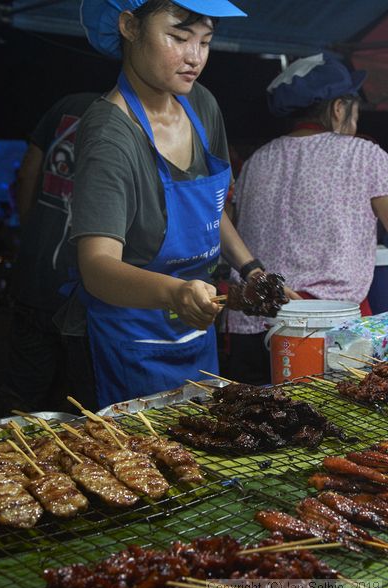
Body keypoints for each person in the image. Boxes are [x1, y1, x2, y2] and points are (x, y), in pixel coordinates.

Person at [63, 0, 256, 408]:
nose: (195, 58)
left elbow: (211, 208)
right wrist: (176, 293)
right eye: (178, 37)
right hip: (131, 341)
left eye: (205, 42)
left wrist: (250, 268)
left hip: (195, 330)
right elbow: (97, 267)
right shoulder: (110, 133)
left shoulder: (201, 104)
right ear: (129, 26)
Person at [224, 53, 388, 385]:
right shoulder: (362, 154)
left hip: (253, 323)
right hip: (331, 332)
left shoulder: (256, 161)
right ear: (338, 108)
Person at [0, 93, 99, 414]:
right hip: (86, 290)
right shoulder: (137, 115)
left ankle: (10, 458)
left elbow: (27, 171)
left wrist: (31, 231)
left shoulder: (65, 105)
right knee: (84, 407)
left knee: (23, 402)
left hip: (35, 277)